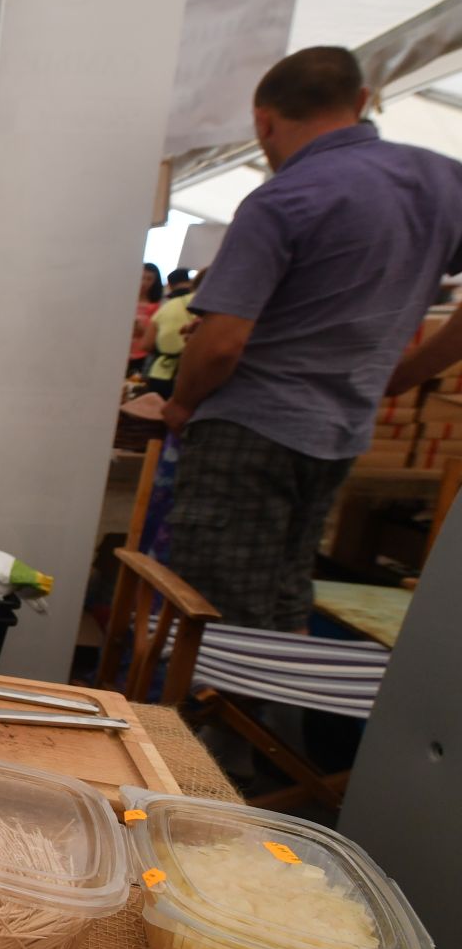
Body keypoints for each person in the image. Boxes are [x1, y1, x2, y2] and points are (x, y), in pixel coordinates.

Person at [162, 46, 462, 629]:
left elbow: (222, 343)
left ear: (263, 121)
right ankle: (267, 716)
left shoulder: (282, 198)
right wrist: (398, 376)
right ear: (360, 101)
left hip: (248, 432)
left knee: (217, 608)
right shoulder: (443, 182)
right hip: (339, 431)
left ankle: (209, 720)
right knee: (284, 588)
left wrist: (180, 404)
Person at [144, 269, 200, 399]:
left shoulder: (166, 307)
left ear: (169, 285)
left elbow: (146, 344)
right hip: (193, 376)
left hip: (161, 372)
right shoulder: (207, 307)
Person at [130, 262, 164, 369]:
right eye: (142, 277)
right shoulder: (125, 302)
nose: (144, 282)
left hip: (141, 357)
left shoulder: (156, 307)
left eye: (149, 279)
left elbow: (154, 334)